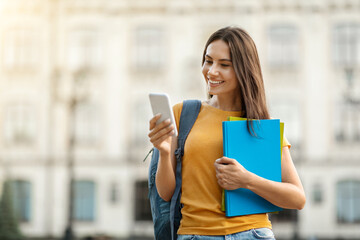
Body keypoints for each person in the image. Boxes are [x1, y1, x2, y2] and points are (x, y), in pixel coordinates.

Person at [148, 26, 306, 240]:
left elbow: (297, 198)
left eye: (224, 65)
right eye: (208, 60)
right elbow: (166, 194)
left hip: (253, 233)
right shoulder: (183, 114)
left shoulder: (261, 124)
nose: (212, 71)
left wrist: (247, 180)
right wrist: (165, 153)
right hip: (196, 234)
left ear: (244, 70)